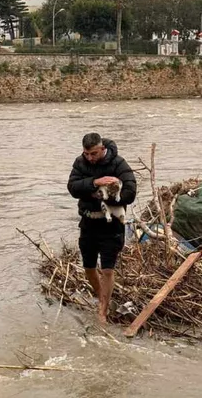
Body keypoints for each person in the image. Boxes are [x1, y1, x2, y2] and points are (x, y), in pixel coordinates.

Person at [67, 133, 137, 325]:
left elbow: (130, 193)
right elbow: (72, 188)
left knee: (107, 269)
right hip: (88, 223)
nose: (90, 158)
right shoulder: (80, 163)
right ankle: (103, 299)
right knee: (89, 267)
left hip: (111, 224)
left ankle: (102, 313)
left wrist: (109, 196)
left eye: (94, 154)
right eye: (87, 154)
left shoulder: (118, 163)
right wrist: (95, 183)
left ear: (102, 149)